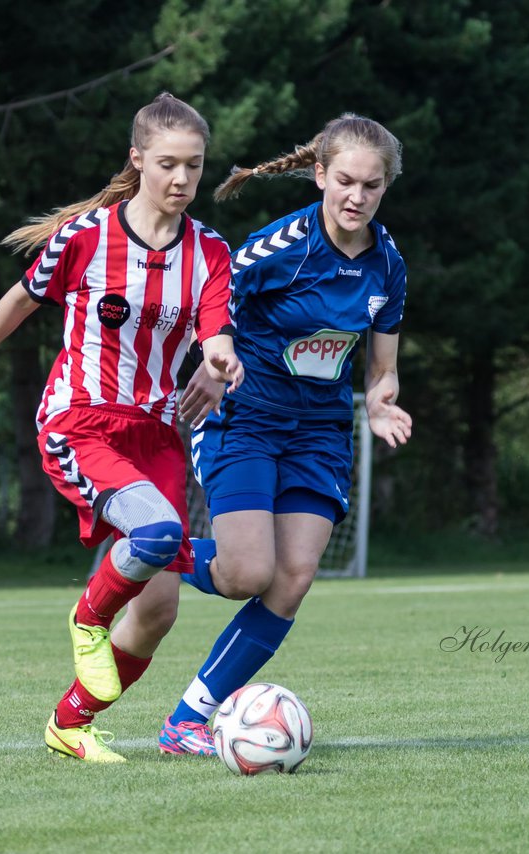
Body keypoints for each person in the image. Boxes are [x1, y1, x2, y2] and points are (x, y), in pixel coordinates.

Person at [0, 93, 243, 764]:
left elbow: (217, 332)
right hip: (79, 423)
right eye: (167, 164)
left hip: (158, 436)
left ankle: (70, 724)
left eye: (193, 166)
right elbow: (22, 298)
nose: (181, 180)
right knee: (160, 533)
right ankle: (87, 619)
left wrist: (221, 362)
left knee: (160, 610)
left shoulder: (211, 253)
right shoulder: (86, 237)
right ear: (137, 160)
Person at [155, 113, 411, 756]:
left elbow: (383, 367)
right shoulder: (276, 249)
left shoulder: (388, 264)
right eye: (346, 180)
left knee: (292, 576)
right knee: (247, 571)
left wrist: (381, 404)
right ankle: (148, 547)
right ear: (320, 174)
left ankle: (187, 719)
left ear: (385, 188)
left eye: (372, 186)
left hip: (321, 427)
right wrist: (214, 366)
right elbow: (208, 310)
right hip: (247, 415)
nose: (357, 196)